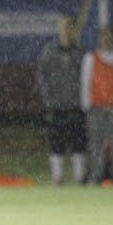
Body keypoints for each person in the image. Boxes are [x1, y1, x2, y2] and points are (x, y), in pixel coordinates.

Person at [36, 15, 87, 185]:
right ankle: (58, 178)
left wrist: (84, 100)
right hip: (56, 107)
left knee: (78, 144)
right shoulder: (49, 51)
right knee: (56, 144)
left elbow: (87, 78)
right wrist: (48, 100)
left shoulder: (81, 53)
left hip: (76, 106)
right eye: (64, 27)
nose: (67, 30)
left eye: (70, 27)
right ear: (59, 29)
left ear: (74, 30)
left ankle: (79, 178)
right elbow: (42, 77)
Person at [80, 27, 113, 183]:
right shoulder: (90, 58)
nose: (106, 40)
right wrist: (86, 105)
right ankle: (95, 176)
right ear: (99, 39)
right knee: (96, 145)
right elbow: (86, 82)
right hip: (97, 108)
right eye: (104, 37)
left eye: (109, 37)